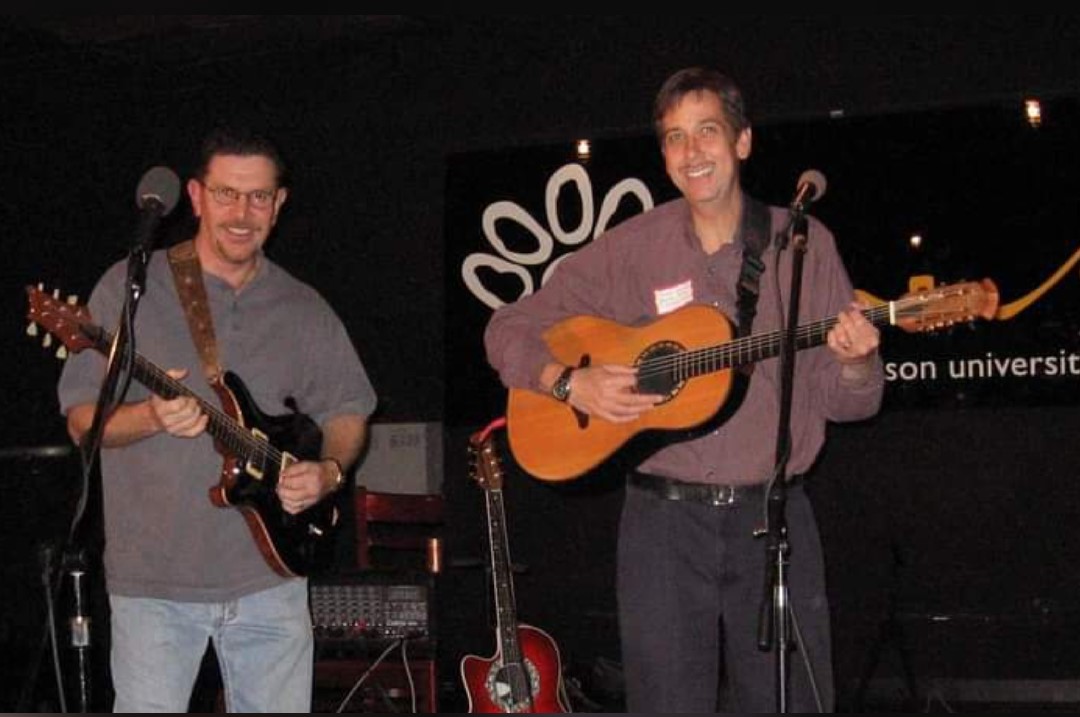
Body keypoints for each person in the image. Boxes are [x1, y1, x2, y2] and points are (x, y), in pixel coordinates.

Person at [484, 67, 884, 713]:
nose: (691, 151)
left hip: (772, 519)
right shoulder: (632, 249)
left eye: (707, 131)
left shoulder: (801, 246)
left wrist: (859, 363)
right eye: (675, 137)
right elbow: (507, 328)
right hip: (663, 525)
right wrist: (568, 382)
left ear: (743, 141)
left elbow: (850, 403)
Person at [57, 126, 377, 713]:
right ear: (197, 197)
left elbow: (349, 409)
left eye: (259, 197)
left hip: (272, 581)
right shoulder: (130, 288)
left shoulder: (303, 306)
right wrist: (150, 416)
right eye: (227, 193)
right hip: (154, 585)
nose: (242, 213)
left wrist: (329, 471)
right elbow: (83, 422)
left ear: (279, 204)